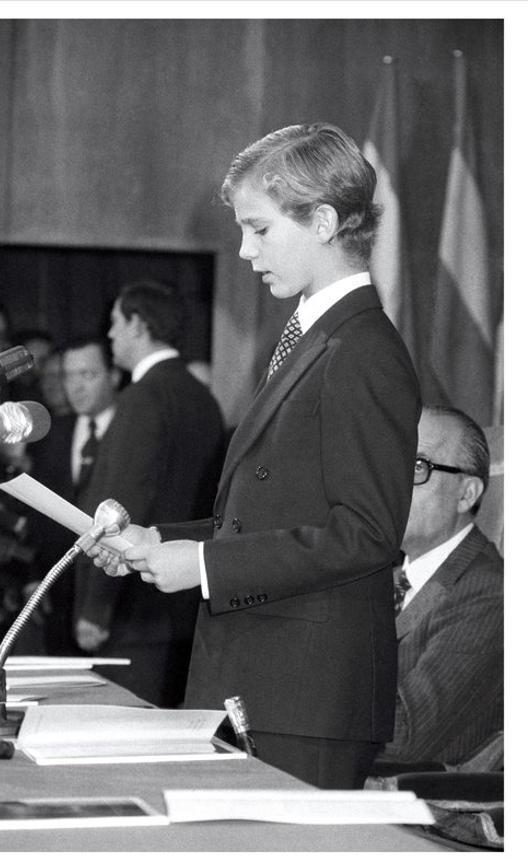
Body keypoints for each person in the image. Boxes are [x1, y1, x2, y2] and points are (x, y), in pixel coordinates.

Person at [85, 123, 420, 788]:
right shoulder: (313, 337)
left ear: (322, 220)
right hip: (263, 684)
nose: (243, 250)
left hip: (305, 698)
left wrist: (204, 564)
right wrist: (160, 540)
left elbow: (366, 535)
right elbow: (266, 515)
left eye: (259, 229)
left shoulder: (361, 351)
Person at [72, 283, 223, 707]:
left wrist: (95, 607)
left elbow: (120, 506)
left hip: (135, 612)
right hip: (189, 604)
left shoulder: (143, 397)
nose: (111, 335)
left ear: (139, 325)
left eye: (116, 323)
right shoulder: (203, 399)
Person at [378, 406, 502, 767]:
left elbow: (402, 738)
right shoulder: (381, 576)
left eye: (417, 467)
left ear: (466, 495)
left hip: (425, 815)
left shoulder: (490, 595)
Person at [23, 335, 120, 656]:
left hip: (116, 601)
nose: (74, 388)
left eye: (87, 375)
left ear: (114, 375)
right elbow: (38, 513)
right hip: (58, 597)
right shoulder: (52, 434)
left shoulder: (132, 432)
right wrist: (33, 577)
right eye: (68, 376)